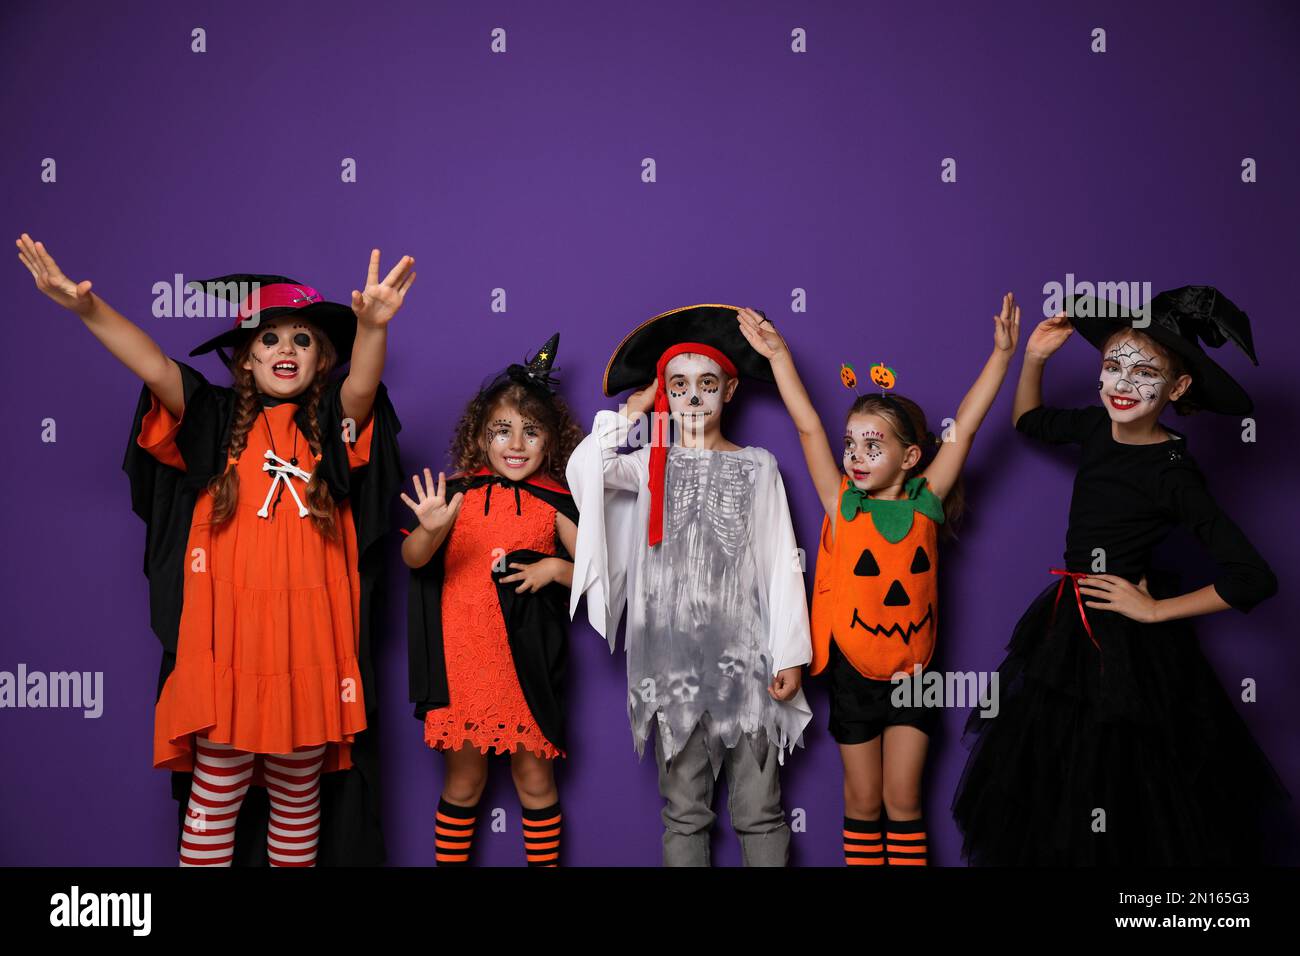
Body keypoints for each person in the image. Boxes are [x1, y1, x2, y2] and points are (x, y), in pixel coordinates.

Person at [17, 234, 408, 865]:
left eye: (303, 339)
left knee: (298, 805)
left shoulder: (328, 427)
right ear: (246, 359)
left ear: (323, 360)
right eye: (270, 338)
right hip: (228, 647)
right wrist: (85, 308)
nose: (287, 348)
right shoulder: (216, 422)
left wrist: (372, 329)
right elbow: (153, 365)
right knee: (213, 800)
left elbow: (362, 390)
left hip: (306, 646)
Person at [952, 285, 1287, 865]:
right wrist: (1033, 357)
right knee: (1056, 774)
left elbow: (1253, 578)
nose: (1124, 383)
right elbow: (1029, 421)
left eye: (1145, 372)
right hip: (1064, 624)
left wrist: (1155, 609)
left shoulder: (1174, 474)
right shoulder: (1093, 428)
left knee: (1124, 781)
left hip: (1125, 643)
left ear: (1178, 388)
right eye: (1113, 365)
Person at [737, 295, 1019, 865]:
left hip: (914, 672)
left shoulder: (927, 501)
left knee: (903, 799)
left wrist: (1002, 356)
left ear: (912, 456)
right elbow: (808, 424)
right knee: (863, 801)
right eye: (852, 445)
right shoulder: (840, 502)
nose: (856, 456)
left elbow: (964, 427)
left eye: (874, 445)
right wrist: (778, 356)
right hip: (852, 673)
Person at [567, 304, 812, 866]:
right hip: (671, 669)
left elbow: (781, 561)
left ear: (730, 390)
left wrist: (791, 652)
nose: (693, 398)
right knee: (683, 813)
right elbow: (584, 472)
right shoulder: (647, 465)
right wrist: (631, 413)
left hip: (747, 664)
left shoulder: (759, 465)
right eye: (678, 386)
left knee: (760, 811)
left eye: (707, 385)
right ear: (664, 394)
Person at [402, 334, 582, 866]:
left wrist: (555, 567)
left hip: (524, 666)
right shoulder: (455, 495)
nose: (516, 443)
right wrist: (431, 530)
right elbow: (414, 560)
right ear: (481, 439)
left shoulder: (556, 504)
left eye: (531, 431)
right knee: (463, 782)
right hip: (463, 665)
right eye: (501, 431)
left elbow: (602, 576)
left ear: (551, 442)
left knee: (534, 778)